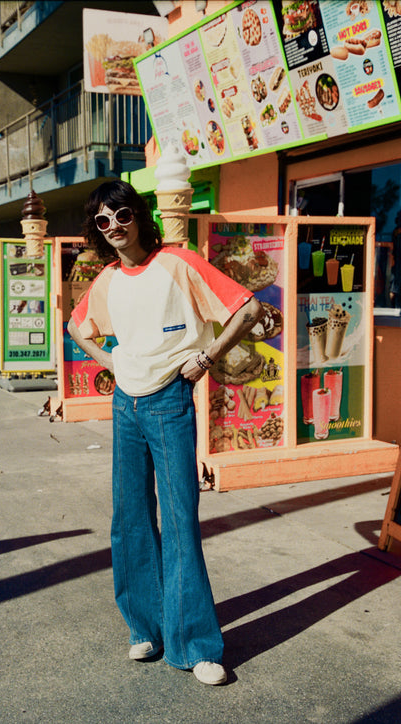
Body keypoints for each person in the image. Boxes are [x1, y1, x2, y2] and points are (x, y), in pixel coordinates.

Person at [67, 180, 263, 686]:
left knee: (179, 520)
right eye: (104, 221)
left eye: (123, 215)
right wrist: (108, 357)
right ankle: (146, 628)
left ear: (140, 215)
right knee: (129, 516)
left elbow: (248, 308)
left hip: (170, 400)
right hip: (126, 406)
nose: (114, 228)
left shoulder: (178, 262)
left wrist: (208, 358)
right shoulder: (108, 278)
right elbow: (77, 327)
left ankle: (194, 645)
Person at [389, 210, 401, 308]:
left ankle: (395, 305)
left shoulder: (396, 232)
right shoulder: (397, 232)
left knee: (395, 286)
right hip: (397, 261)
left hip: (397, 261)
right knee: (395, 286)